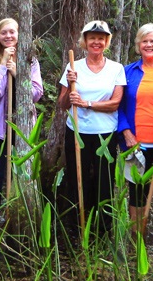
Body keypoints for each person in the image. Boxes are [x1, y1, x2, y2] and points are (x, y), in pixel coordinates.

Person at [57, 20, 124, 235]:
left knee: (104, 183)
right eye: (92, 37)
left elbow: (115, 103)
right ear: (84, 41)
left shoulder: (116, 68)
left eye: (101, 38)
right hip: (78, 133)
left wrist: (87, 103)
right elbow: (62, 105)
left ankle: (103, 232)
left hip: (105, 134)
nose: (97, 41)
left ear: (107, 42)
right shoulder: (73, 66)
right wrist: (69, 87)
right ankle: (78, 228)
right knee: (78, 180)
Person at [117, 23, 153, 237]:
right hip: (135, 143)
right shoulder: (128, 71)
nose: (149, 45)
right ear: (138, 45)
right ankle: (136, 240)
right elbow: (119, 106)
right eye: (144, 41)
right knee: (137, 192)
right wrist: (126, 132)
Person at [0, 17, 44, 219]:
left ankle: (17, 216)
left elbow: (37, 93)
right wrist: (3, 65)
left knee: (21, 174)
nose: (8, 36)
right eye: (4, 33)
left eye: (12, 32)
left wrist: (18, 73)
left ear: (19, 35)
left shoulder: (31, 60)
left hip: (23, 126)